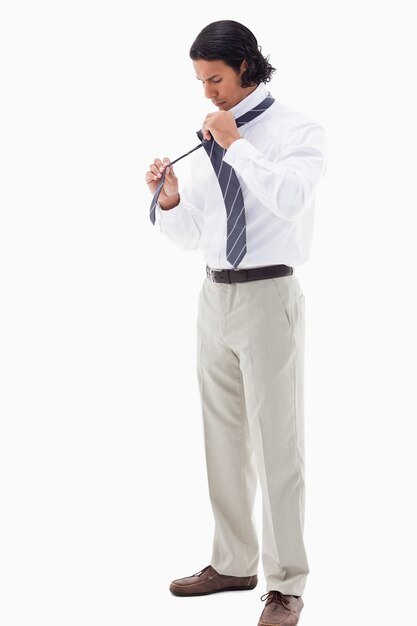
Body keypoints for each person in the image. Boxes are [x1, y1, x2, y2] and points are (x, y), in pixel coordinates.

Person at [145, 19, 327, 626]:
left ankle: (286, 582)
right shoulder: (204, 136)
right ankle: (233, 561)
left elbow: (292, 199)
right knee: (221, 437)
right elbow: (195, 233)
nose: (207, 93)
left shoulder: (296, 129)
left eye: (215, 79)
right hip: (213, 297)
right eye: (200, 81)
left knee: (277, 442)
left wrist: (237, 146)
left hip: (269, 296)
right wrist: (170, 199)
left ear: (247, 66)